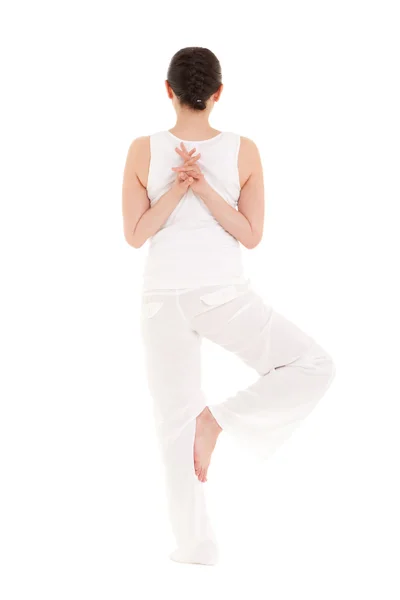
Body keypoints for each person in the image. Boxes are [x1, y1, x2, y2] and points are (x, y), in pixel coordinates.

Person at [122, 46, 335, 566]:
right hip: (220, 293)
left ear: (168, 91)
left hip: (163, 297)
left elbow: (135, 235)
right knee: (314, 365)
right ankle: (217, 421)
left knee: (174, 422)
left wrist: (178, 187)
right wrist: (195, 187)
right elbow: (250, 234)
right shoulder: (243, 149)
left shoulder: (142, 149)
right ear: (218, 94)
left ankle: (196, 549)